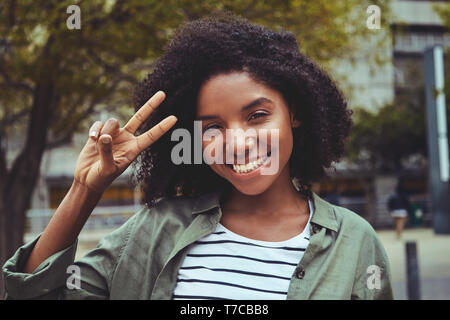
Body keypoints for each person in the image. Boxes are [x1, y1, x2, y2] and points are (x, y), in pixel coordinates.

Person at [2, 12, 393, 300]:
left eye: (257, 116)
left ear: (295, 113)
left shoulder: (355, 243)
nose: (237, 143)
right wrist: (83, 191)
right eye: (212, 127)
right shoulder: (155, 231)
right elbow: (32, 293)